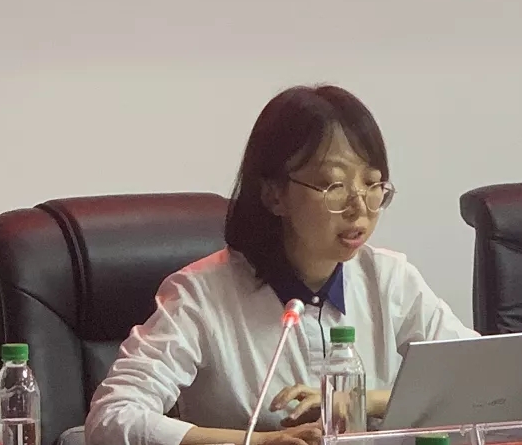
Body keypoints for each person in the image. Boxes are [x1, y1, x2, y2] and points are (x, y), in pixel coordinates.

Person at [85, 85, 479, 445]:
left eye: (372, 183)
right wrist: (259, 443)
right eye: (334, 185)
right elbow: (112, 419)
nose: (359, 207)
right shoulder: (200, 297)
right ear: (275, 195)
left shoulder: (390, 280)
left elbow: (485, 380)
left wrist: (360, 401)